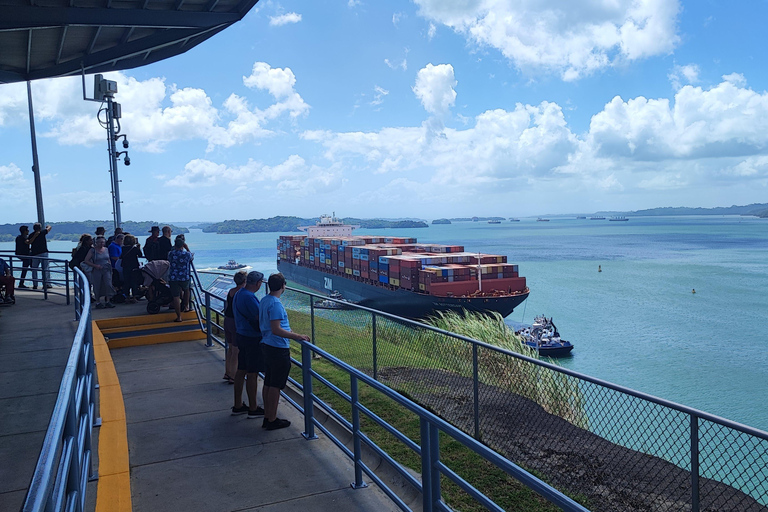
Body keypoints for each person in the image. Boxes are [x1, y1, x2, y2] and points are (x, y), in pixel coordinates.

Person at [259, 273, 310, 430]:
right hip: (277, 348)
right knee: (275, 385)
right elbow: (276, 329)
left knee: (268, 382)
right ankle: (272, 419)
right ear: (283, 286)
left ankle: (268, 417)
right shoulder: (275, 304)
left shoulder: (264, 300)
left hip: (266, 345)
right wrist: (297, 336)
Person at [232, 271, 265, 417]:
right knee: (252, 373)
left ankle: (238, 404)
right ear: (258, 283)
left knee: (241, 370)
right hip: (252, 338)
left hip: (241, 335)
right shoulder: (250, 298)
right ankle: (253, 407)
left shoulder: (239, 293)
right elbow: (259, 318)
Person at [223, 271, 247, 384]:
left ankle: (227, 372)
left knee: (230, 348)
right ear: (244, 281)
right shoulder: (241, 292)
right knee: (236, 351)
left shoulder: (231, 291)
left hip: (227, 320)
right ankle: (233, 375)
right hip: (235, 322)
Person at [82, 236, 115, 308]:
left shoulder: (106, 249)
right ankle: (98, 302)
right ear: (96, 243)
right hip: (96, 269)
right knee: (97, 285)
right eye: (100, 242)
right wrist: (95, 266)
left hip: (106, 269)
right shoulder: (92, 250)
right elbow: (86, 260)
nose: (101, 244)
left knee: (108, 284)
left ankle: (108, 300)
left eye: (103, 242)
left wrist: (110, 266)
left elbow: (108, 258)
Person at [167, 237, 193, 322]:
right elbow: (191, 257)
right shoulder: (187, 254)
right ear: (183, 245)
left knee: (176, 297)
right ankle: (186, 306)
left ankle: (179, 317)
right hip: (184, 277)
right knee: (186, 290)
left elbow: (169, 260)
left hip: (173, 277)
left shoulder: (171, 254)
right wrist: (187, 248)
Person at [120, 234, 143, 303]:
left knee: (126, 282)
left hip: (125, 266)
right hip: (134, 266)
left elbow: (120, 257)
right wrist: (139, 247)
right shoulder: (134, 248)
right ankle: (134, 297)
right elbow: (140, 255)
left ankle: (127, 297)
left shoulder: (123, 248)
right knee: (134, 282)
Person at [28, 223, 52, 289]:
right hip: (43, 253)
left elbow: (29, 242)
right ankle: (45, 284)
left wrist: (34, 236)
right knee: (45, 269)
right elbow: (49, 228)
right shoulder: (42, 232)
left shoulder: (31, 235)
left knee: (34, 269)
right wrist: (47, 226)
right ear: (40, 228)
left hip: (35, 254)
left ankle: (35, 284)